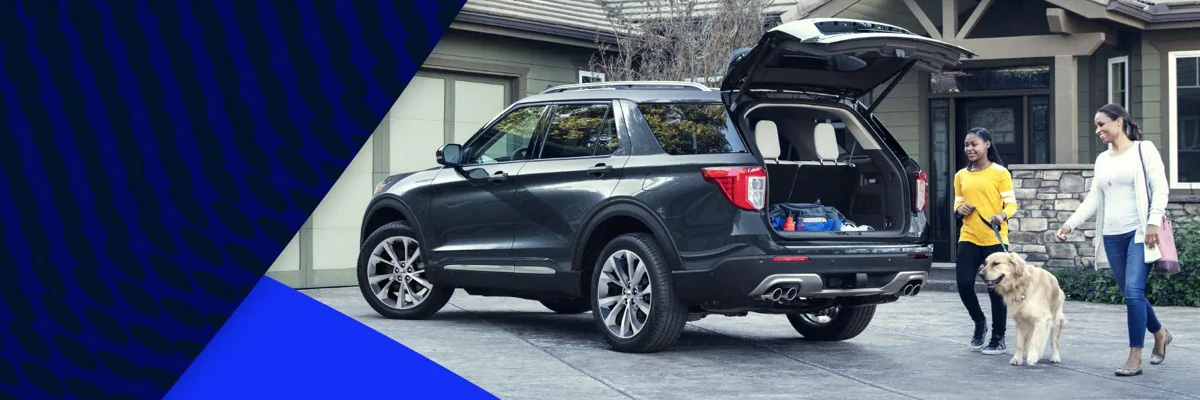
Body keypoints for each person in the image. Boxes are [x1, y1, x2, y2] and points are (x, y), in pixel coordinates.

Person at [1057, 103, 1173, 377]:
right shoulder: (1103, 159)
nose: (1098, 130)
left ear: (1119, 121)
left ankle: (1135, 355)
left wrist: (1153, 221)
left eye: (1102, 124)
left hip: (1139, 233)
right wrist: (1070, 224)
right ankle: (1160, 333)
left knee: (1133, 292)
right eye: (1096, 126)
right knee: (1131, 294)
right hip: (1111, 236)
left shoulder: (1144, 150)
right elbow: (1094, 197)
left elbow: (1160, 188)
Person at [953, 127, 1017, 355]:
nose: (969, 149)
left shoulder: (1000, 173)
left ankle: (998, 337)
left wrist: (1002, 215)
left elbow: (1011, 204)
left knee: (996, 290)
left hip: (993, 239)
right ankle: (979, 322)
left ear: (987, 145)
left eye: (974, 144)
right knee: (963, 285)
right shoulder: (961, 176)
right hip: (969, 237)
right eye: (966, 145)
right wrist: (959, 209)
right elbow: (957, 203)